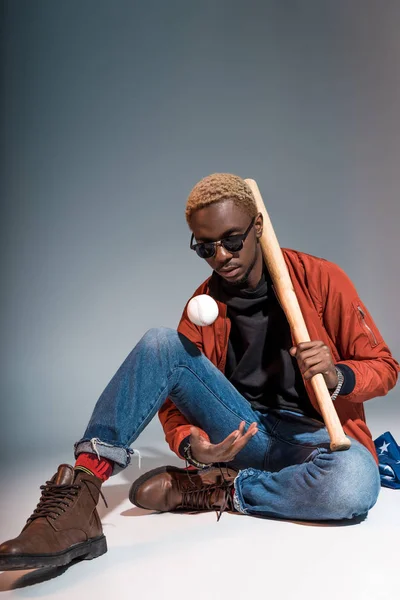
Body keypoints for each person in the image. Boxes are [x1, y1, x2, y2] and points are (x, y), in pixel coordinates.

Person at [0, 173, 398, 572]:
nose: (222, 256)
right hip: (244, 434)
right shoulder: (203, 305)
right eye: (206, 248)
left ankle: (216, 489)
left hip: (308, 438)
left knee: (353, 482)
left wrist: (337, 376)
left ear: (257, 226)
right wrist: (192, 445)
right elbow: (173, 402)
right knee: (160, 343)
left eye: (232, 240)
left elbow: (385, 366)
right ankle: (79, 499)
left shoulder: (321, 280)